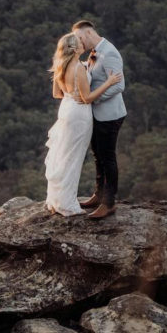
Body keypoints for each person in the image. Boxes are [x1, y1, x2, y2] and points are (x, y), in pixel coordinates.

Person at [45, 32, 122, 216]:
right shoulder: (78, 68)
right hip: (79, 114)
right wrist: (109, 82)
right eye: (79, 41)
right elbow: (87, 98)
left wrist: (71, 95)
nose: (83, 43)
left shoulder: (60, 66)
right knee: (74, 157)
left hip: (66, 110)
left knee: (63, 155)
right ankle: (67, 203)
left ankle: (57, 199)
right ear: (75, 48)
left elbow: (57, 94)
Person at [70, 20, 126, 219]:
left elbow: (119, 86)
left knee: (108, 157)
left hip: (110, 115)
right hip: (96, 114)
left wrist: (93, 99)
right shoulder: (94, 53)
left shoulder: (110, 52)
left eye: (78, 38)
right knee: (98, 156)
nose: (78, 43)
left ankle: (109, 203)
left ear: (87, 33)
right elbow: (95, 74)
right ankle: (98, 193)